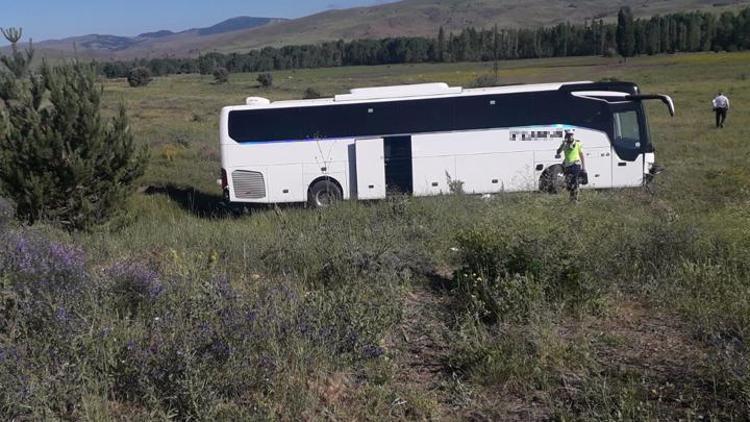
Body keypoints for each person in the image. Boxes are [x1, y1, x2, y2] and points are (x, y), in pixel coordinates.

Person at [556, 130, 586, 202]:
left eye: (570, 135)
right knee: (569, 183)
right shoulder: (564, 144)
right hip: (567, 166)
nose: (569, 137)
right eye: (568, 135)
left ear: (573, 135)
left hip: (575, 164)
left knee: (575, 182)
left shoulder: (577, 143)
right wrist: (563, 144)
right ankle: (572, 198)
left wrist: (584, 167)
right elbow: (558, 151)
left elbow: (581, 155)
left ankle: (574, 199)